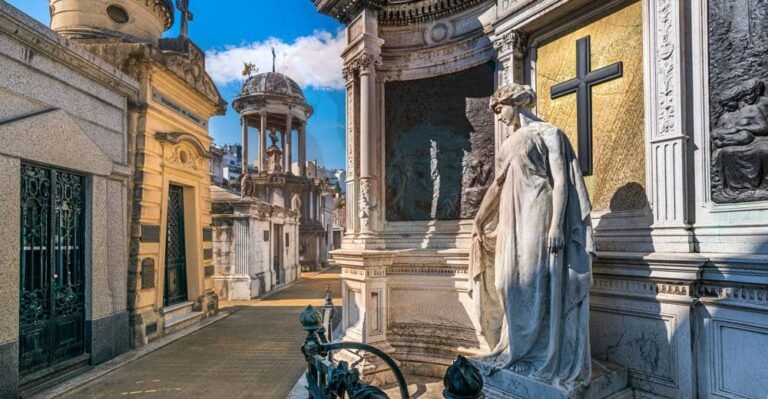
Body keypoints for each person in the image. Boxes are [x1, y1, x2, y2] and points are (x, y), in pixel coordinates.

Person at [469, 83, 594, 391]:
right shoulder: (509, 144)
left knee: (535, 281)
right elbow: (497, 187)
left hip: (539, 211)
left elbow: (562, 180)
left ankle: (541, 355)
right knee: (506, 281)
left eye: (499, 110)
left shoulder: (549, 133)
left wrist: (556, 226)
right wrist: (479, 218)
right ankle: (515, 347)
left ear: (514, 103)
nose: (498, 118)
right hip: (513, 216)